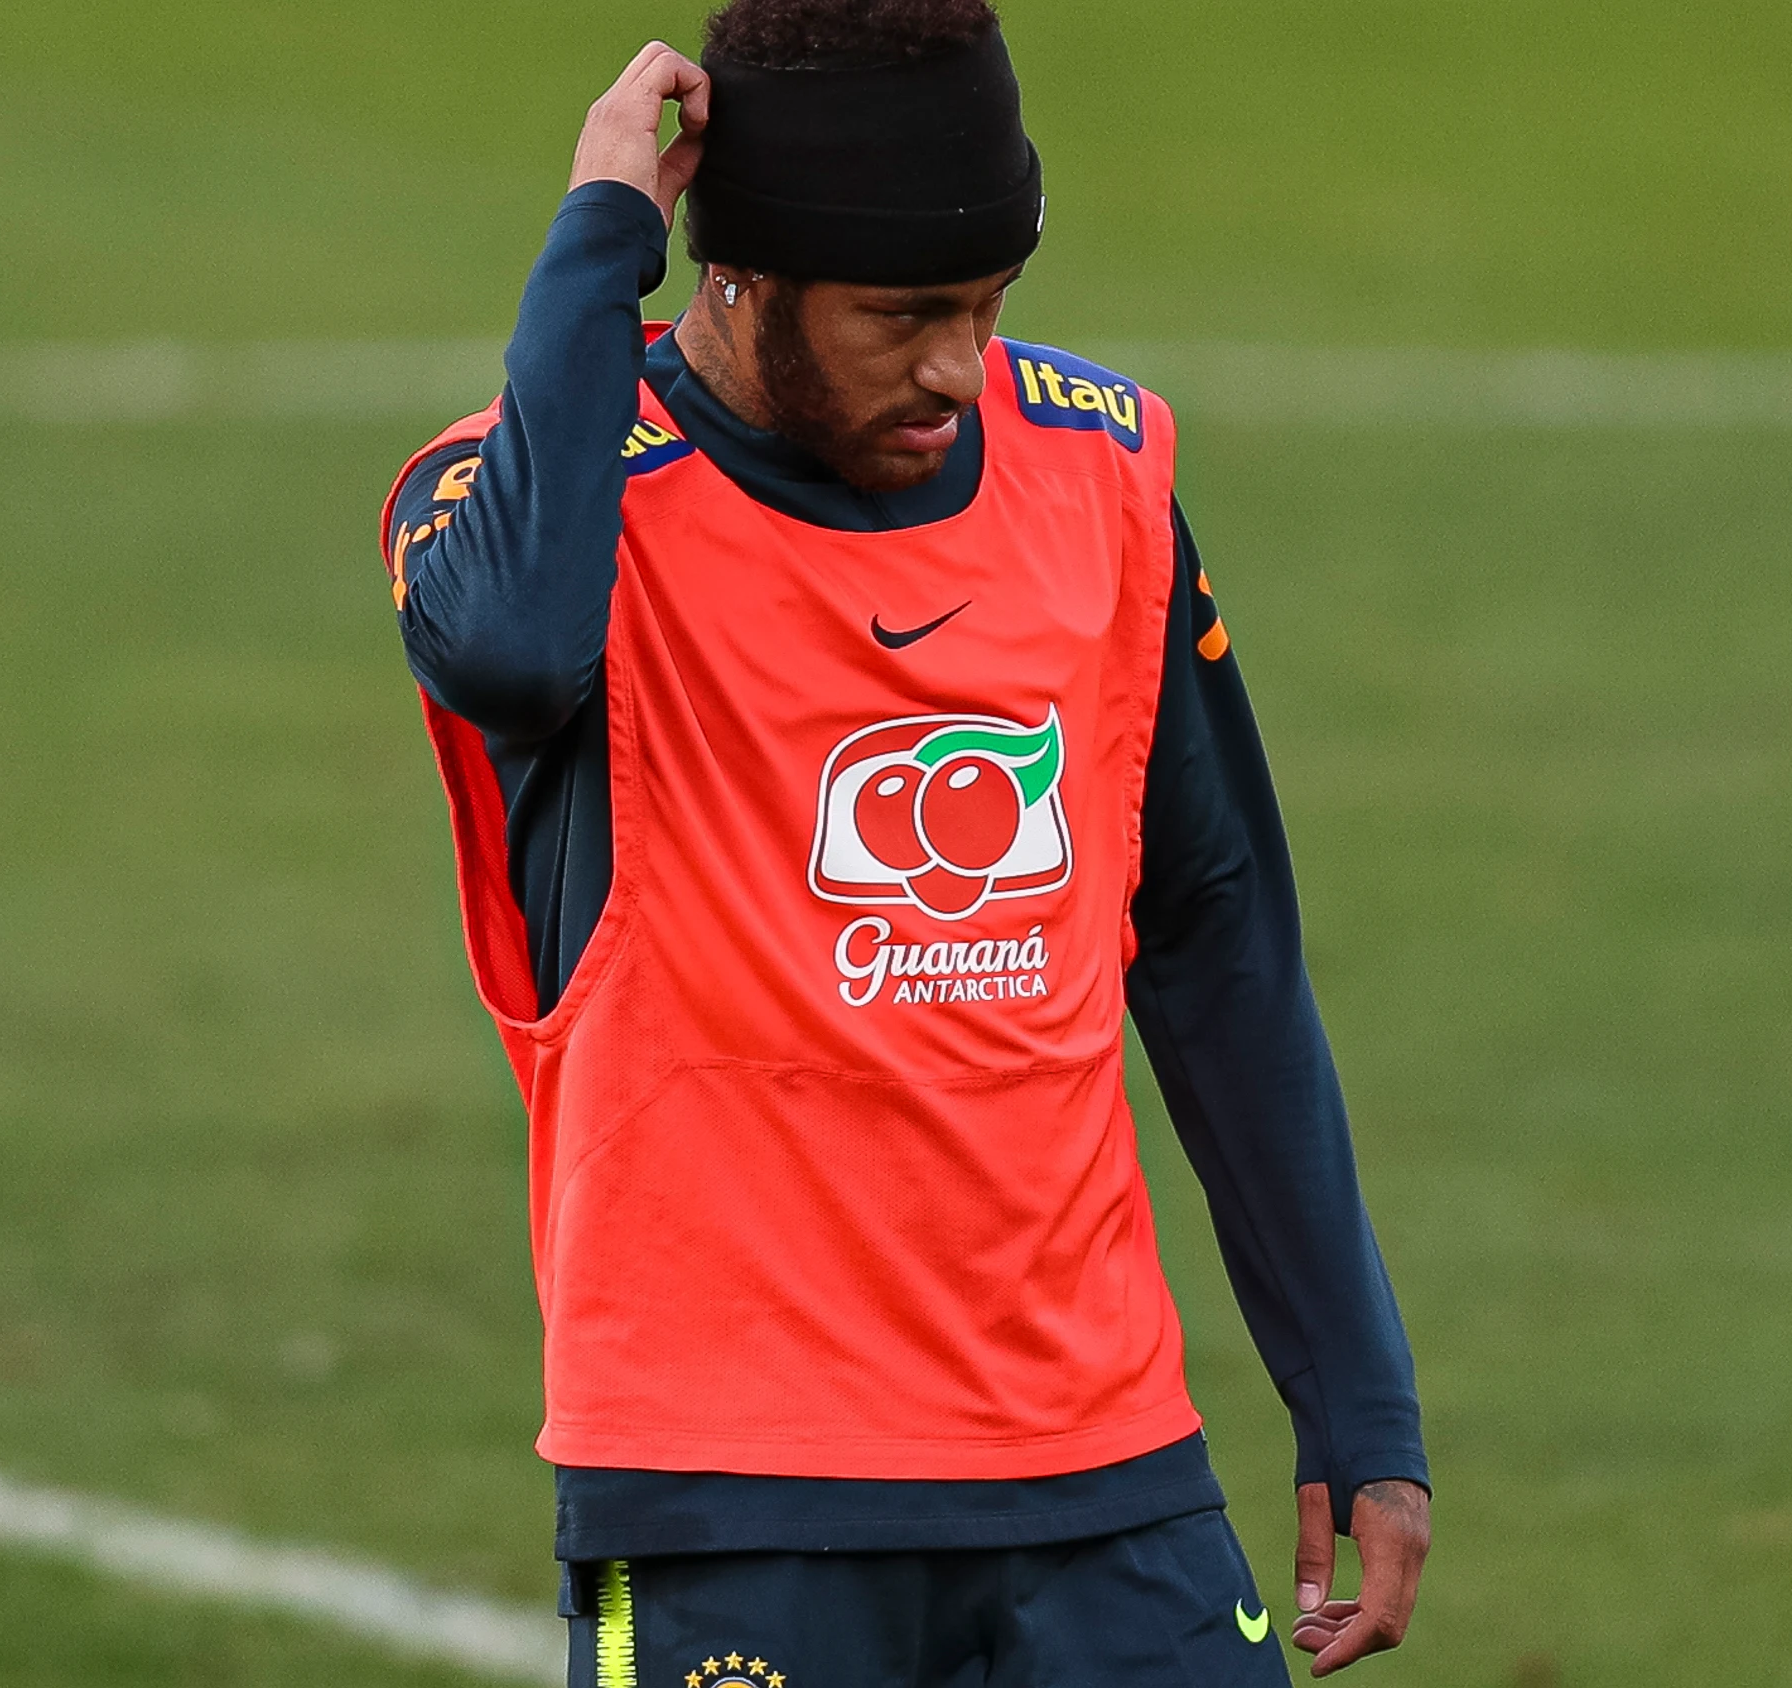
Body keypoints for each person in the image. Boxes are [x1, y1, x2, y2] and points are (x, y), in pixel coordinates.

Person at [379, 3, 1427, 1682]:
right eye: (906, 314)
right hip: (737, 1494)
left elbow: (1219, 934)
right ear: (742, 278)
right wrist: (603, 229)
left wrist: (1354, 1393)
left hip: (1102, 1473)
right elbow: (504, 648)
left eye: (992, 304)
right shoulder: (551, 498)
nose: (958, 364)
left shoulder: (1099, 472)